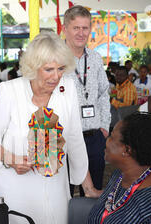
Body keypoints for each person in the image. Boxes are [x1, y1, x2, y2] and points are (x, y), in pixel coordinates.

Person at [0, 32, 88, 224]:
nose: (56, 77)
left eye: (60, 69)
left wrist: (88, 186)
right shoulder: (10, 90)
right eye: (48, 69)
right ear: (33, 67)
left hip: (55, 184)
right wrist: (11, 159)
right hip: (15, 184)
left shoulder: (67, 90)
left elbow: (75, 137)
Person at [63, 5, 110, 196]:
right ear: (65, 28)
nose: (81, 33)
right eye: (76, 28)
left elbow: (103, 93)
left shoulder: (96, 58)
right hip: (64, 138)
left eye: (85, 28)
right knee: (63, 193)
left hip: (93, 135)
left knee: (93, 193)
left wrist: (105, 127)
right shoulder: (55, 59)